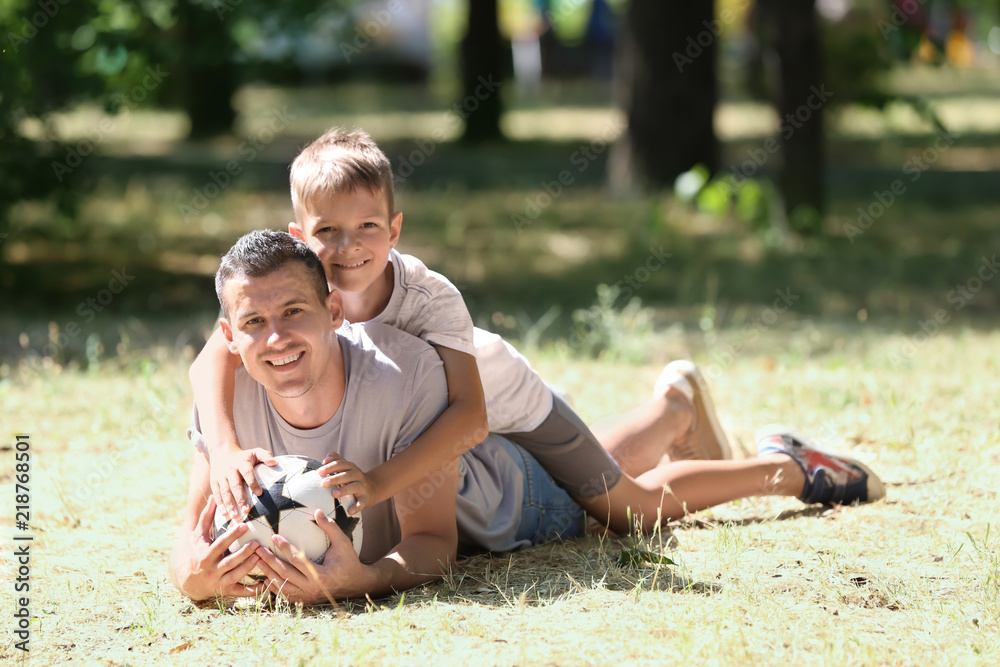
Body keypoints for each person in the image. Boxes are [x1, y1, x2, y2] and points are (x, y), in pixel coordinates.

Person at [171, 231, 885, 604]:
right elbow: (188, 536)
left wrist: (363, 581)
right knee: (606, 458)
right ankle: (674, 406)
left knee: (626, 511)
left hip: (497, 500)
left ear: (332, 309)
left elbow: (432, 543)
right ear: (229, 335)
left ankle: (788, 467)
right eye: (255, 322)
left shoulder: (403, 373)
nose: (276, 338)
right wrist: (196, 581)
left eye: (294, 311)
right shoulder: (225, 399)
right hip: (472, 462)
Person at [188, 127, 733, 537]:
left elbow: (470, 419)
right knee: (567, 486)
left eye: (367, 228)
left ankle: (742, 451)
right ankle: (673, 410)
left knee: (627, 510)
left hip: (506, 405)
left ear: (395, 229)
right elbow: (210, 360)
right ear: (298, 235)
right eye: (327, 231)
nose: (347, 247)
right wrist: (227, 449)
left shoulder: (428, 296)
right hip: (441, 421)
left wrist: (377, 484)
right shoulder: (296, 297)